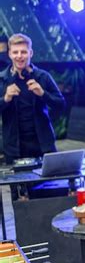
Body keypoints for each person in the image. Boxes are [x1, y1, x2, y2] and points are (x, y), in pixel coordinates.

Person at [0, 33, 65, 165]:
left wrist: (43, 93)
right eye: (15, 52)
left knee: (48, 185)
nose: (19, 56)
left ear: (31, 53)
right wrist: (5, 98)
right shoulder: (2, 79)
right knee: (20, 185)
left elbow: (61, 104)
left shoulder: (43, 77)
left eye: (23, 52)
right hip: (14, 148)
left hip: (43, 145)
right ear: (10, 54)